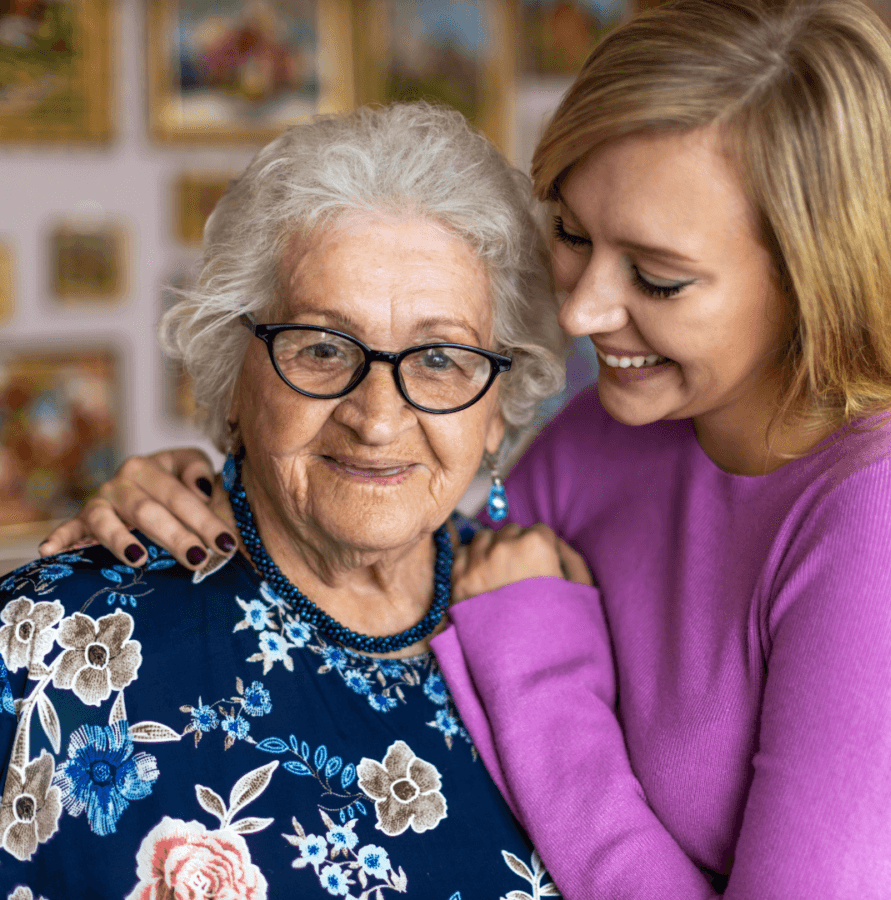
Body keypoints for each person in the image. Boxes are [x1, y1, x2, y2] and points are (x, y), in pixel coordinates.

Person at [35, 0, 891, 897]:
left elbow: (510, 634)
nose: (579, 311)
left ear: (815, 278)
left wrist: (544, 676)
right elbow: (399, 532)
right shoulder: (614, 433)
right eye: (573, 235)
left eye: (658, 279)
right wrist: (190, 486)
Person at [0, 101, 582, 898]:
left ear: (497, 409)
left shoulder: (563, 622)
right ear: (233, 374)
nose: (378, 418)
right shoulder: (49, 650)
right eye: (320, 348)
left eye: (441, 358)